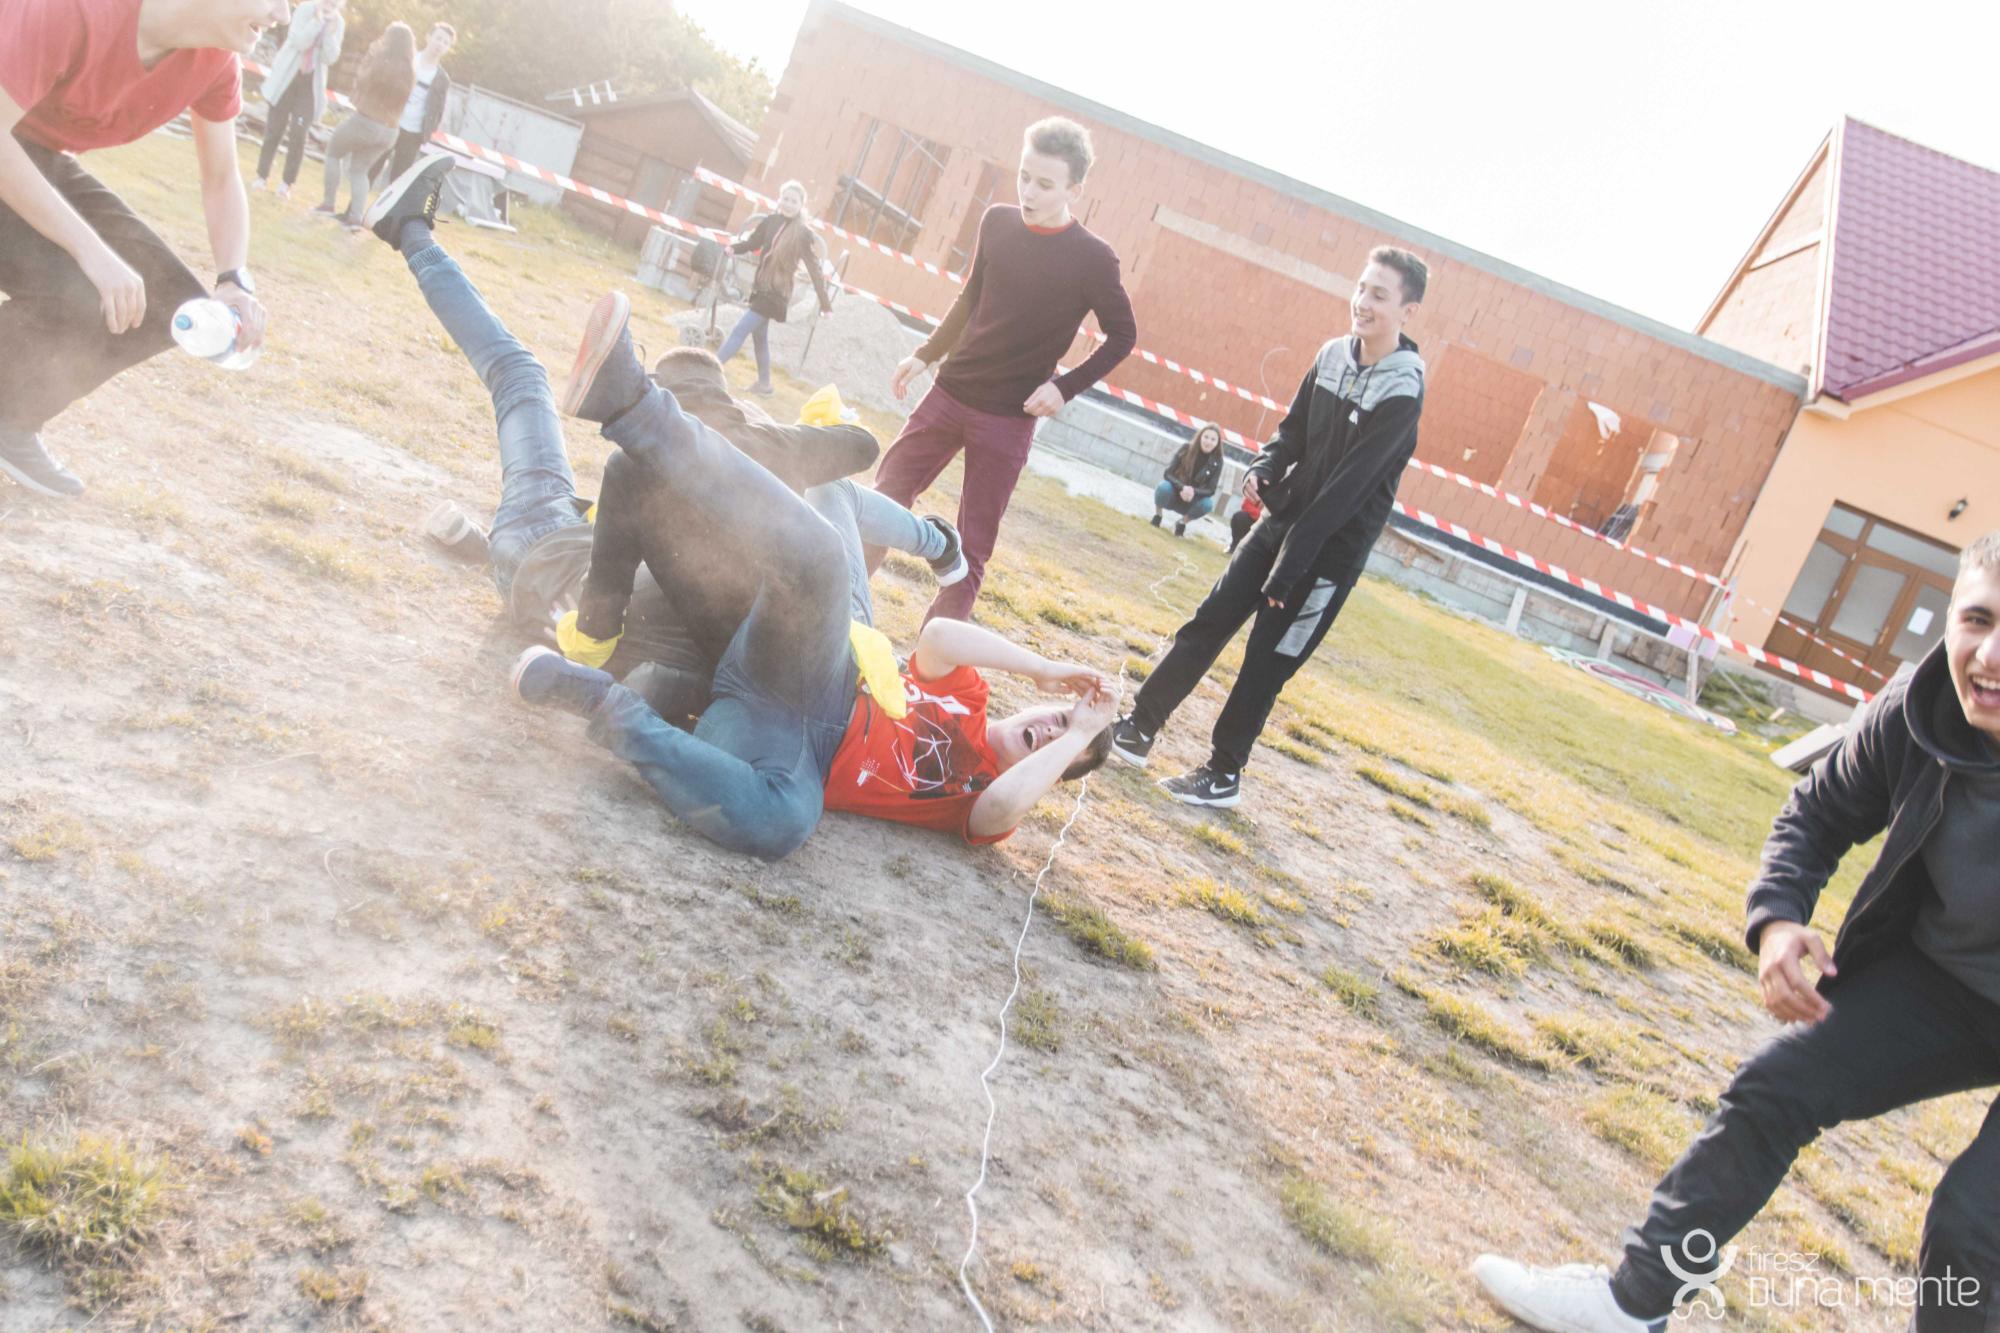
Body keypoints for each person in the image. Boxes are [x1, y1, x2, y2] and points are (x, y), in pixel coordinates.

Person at [1471, 529, 2000, 1333]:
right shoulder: (1918, 709)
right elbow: (1819, 811)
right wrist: (1779, 919)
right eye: (1978, 619)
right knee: (1776, 1087)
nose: (1989, 656)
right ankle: (1633, 1303)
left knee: (1972, 1224)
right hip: (1949, 983)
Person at [507, 286, 1118, 861]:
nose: (1051, 728)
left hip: (795, 747)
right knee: (822, 554)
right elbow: (937, 638)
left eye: (1063, 743)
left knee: (784, 824)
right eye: (1061, 717)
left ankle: (601, 702)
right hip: (823, 667)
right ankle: (633, 405)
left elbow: (1000, 810)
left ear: (1054, 774)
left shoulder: (982, 798)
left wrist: (1079, 735)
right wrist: (1043, 669)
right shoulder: (971, 699)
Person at [363, 154, 962, 720]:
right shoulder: (767, 545)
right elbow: (857, 454)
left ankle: (410, 233)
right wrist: (792, 438)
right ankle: (484, 542)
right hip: (543, 569)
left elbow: (606, 596)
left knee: (520, 376)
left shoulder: (663, 479)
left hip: (543, 553)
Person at [1109, 247, 1429, 809]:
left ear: (1408, 311)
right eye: (1361, 288)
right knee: (1209, 620)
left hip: (1326, 555)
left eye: (1379, 295)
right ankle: (1138, 728)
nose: (1362, 302)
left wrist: (1289, 570)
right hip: (1281, 526)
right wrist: (1265, 466)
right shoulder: (1332, 355)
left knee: (1264, 664)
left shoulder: (1403, 391)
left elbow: (1346, 491)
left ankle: (1223, 773)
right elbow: (1293, 431)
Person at [0, 0, 279, 498]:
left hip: (30, 154)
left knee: (162, 302)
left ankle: (9, 414)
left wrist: (233, 278)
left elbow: (221, 177)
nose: (281, 14)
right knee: (99, 275)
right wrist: (92, 252)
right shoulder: (76, 10)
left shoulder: (216, 62)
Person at [871, 116, 1137, 625]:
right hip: (950, 392)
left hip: (1008, 420)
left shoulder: (1094, 259)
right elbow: (970, 297)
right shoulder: (996, 222)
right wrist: (925, 354)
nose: (1028, 192)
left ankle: (931, 659)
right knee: (883, 498)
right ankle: (840, 610)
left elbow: (1123, 335)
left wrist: (1064, 388)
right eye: (1024, 176)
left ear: (1074, 190)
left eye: (1045, 184)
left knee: (971, 550)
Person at [715, 179, 834, 397]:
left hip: (777, 293)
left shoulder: (802, 233)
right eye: (785, 199)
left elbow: (814, 269)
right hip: (761, 287)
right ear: (779, 200)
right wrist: (734, 248)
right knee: (759, 337)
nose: (788, 204)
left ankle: (710, 370)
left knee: (740, 330)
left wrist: (825, 304)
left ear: (801, 205)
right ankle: (765, 385)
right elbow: (753, 243)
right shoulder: (770, 221)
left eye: (794, 201)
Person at [314, 20, 413, 228]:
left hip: (366, 120)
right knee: (360, 171)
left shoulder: (381, 60)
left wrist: (371, 55)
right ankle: (356, 218)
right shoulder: (409, 71)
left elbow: (362, 79)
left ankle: (328, 204)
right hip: (390, 131)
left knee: (333, 152)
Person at [252, 0, 345, 198]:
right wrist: (317, 22)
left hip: (310, 86)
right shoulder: (304, 10)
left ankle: (287, 183)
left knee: (298, 135)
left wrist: (329, 34)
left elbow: (330, 58)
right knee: (274, 130)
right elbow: (300, 42)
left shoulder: (338, 23)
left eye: (334, 4)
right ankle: (261, 176)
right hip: (287, 79)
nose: (330, 5)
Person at [373, 20, 452, 186]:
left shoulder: (442, 78)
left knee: (399, 181)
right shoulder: (409, 59)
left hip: (413, 133)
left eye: (446, 43)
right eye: (438, 38)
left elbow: (438, 110)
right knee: (372, 167)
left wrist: (428, 131)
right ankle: (355, 203)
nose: (440, 44)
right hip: (390, 123)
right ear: (428, 37)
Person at [1152, 423, 1224, 537]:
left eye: (1213, 439)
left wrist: (1193, 491)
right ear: (1200, 436)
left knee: (1208, 504)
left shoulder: (1218, 460)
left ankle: (1182, 523)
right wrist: (1182, 487)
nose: (1208, 442)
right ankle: (1158, 515)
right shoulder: (1186, 448)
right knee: (1163, 487)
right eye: (1206, 437)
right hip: (1174, 493)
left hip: (1192, 500)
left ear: (1217, 443)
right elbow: (1168, 473)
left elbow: (1211, 490)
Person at [1228, 490, 1262, 554]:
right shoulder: (1258, 489)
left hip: (1269, 526)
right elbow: (1245, 505)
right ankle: (1234, 546)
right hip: (1255, 519)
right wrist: (1261, 515)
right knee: (1239, 517)